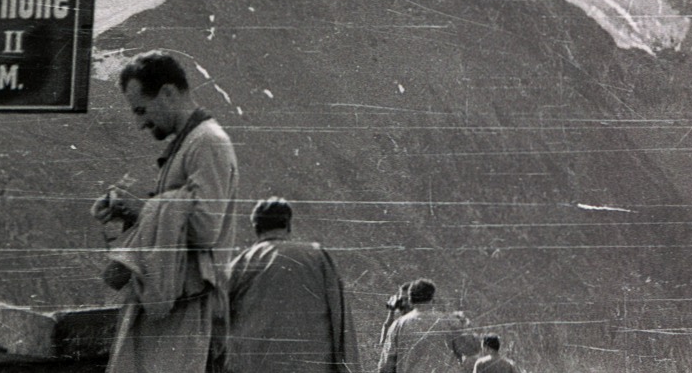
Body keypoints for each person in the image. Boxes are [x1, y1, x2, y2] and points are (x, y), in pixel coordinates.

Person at [93, 50, 240, 373]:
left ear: (169, 93)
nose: (140, 123)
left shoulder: (207, 143)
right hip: (174, 307)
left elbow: (204, 229)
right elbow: (175, 218)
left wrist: (144, 209)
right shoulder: (190, 144)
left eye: (141, 110)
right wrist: (133, 213)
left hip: (187, 308)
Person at [225, 197, 360, 373]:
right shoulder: (317, 257)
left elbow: (220, 324)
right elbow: (341, 322)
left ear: (256, 228)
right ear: (288, 225)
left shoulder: (241, 264)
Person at [376, 279, 474, 373]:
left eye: (404, 300)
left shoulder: (398, 325)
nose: (402, 304)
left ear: (411, 299)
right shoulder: (448, 321)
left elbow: (386, 365)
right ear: (433, 299)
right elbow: (471, 349)